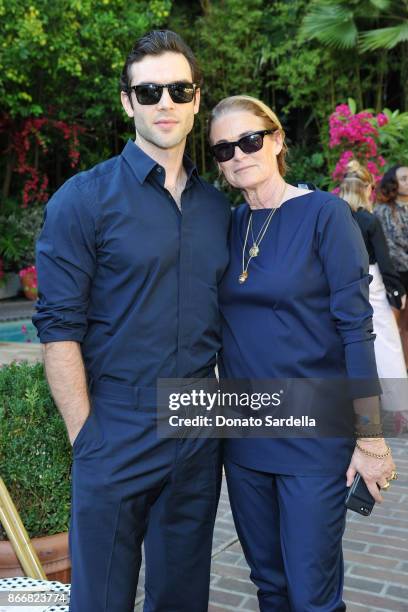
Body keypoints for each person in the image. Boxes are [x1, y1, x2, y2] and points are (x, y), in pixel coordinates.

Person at [33, 30, 230, 612]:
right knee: (101, 599)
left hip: (199, 422)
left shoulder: (218, 208)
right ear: (127, 103)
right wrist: (86, 438)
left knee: (182, 596)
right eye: (149, 91)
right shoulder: (82, 200)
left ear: (196, 99)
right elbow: (58, 328)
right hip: (116, 424)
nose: (164, 102)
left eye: (178, 88)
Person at [208, 95, 397, 611]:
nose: (238, 155)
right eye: (224, 149)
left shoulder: (324, 215)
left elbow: (357, 333)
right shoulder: (226, 226)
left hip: (313, 437)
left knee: (311, 594)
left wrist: (372, 439)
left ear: (277, 141)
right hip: (244, 436)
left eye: (250, 140)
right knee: (270, 586)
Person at [339, 160, 408, 433]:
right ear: (368, 188)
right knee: (387, 344)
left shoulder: (335, 216)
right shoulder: (369, 219)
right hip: (372, 284)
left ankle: (349, 407)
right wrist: (396, 292)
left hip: (341, 282)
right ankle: (399, 407)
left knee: (346, 341)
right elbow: (384, 260)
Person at [374, 165, 408, 371]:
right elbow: (389, 246)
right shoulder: (383, 210)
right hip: (395, 275)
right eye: (404, 178)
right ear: (393, 183)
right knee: (394, 328)